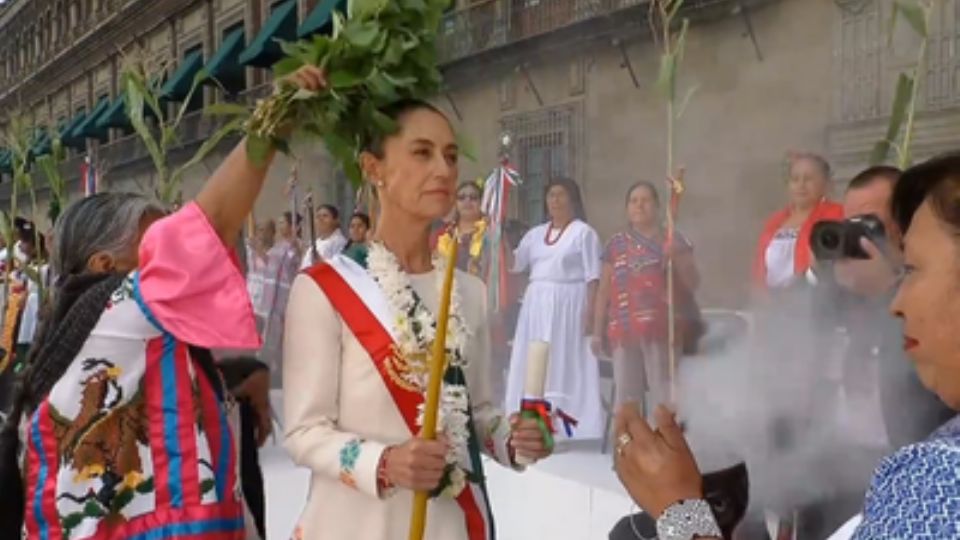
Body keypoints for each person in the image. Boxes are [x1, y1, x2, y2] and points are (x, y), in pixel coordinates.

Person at [0, 64, 327, 539]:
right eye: (156, 243)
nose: (176, 254)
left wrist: (240, 376)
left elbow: (157, 388)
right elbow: (212, 224)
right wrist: (275, 117)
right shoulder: (114, 311)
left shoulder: (88, 332)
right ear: (105, 265)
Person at [612, 152, 960, 540]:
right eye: (849, 224)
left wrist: (681, 514)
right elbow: (776, 351)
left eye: (913, 269)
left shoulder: (936, 482)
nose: (900, 302)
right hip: (824, 478)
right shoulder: (828, 297)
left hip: (876, 467)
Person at [282, 99, 552, 540]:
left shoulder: (470, 291)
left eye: (450, 155)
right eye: (422, 153)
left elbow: (476, 411)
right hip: (354, 524)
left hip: (449, 524)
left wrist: (512, 439)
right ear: (373, 168)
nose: (444, 170)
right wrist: (385, 463)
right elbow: (304, 432)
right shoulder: (322, 289)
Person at [504, 177, 604, 440]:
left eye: (561, 195)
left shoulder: (584, 233)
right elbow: (514, 264)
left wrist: (591, 314)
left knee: (563, 362)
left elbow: (594, 277)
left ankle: (564, 428)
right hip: (537, 304)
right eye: (551, 195)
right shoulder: (535, 234)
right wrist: (495, 238)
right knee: (534, 361)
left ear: (573, 200)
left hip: (570, 304)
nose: (555, 200)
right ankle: (528, 422)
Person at [592, 181, 700, 416]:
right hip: (624, 329)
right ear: (626, 208)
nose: (639, 206)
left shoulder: (675, 241)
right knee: (626, 399)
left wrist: (678, 258)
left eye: (645, 200)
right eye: (633, 201)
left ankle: (665, 447)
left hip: (662, 330)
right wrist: (597, 332)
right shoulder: (615, 244)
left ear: (658, 206)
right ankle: (629, 450)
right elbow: (604, 290)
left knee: (664, 395)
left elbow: (693, 283)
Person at [753, 152, 844, 290]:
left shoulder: (837, 214)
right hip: (774, 303)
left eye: (808, 179)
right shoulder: (774, 221)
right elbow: (759, 268)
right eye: (795, 179)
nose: (801, 185)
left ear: (825, 183)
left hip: (814, 299)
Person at [434, 181, 490, 277]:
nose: (467, 201)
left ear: (481, 203)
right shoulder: (442, 235)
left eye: (473, 198)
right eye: (461, 197)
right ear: (455, 203)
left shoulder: (490, 233)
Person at [299, 203, 347, 269]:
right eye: (318, 216)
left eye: (325, 216)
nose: (321, 219)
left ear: (335, 220)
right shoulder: (316, 242)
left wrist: (321, 262)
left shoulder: (339, 241)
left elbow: (338, 268)